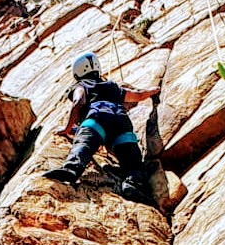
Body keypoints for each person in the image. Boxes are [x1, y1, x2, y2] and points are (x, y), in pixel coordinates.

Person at [43, 51, 160, 203]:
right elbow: (137, 95)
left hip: (96, 119)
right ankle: (132, 184)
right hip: (122, 123)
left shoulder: (81, 85)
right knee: (132, 162)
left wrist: (67, 129)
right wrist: (153, 91)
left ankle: (71, 170)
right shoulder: (111, 86)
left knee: (83, 146)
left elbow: (78, 102)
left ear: (78, 74)